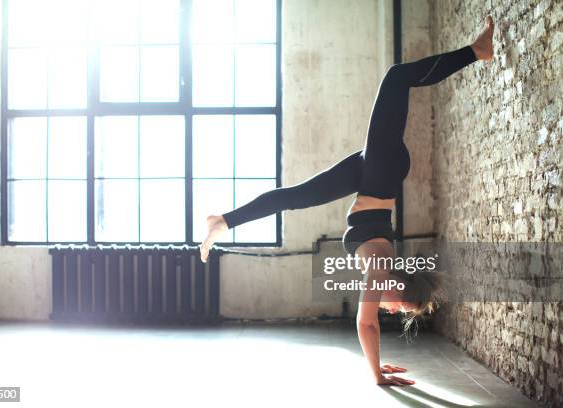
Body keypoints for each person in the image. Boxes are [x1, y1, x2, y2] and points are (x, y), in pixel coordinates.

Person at [199, 16, 495, 386]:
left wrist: (379, 364)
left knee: (294, 196)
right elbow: (366, 324)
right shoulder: (381, 270)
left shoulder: (383, 268)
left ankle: (223, 221)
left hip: (372, 173)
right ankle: (476, 51)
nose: (387, 310)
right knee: (396, 77)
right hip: (380, 172)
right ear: (400, 293)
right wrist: (377, 374)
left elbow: (372, 320)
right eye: (396, 308)